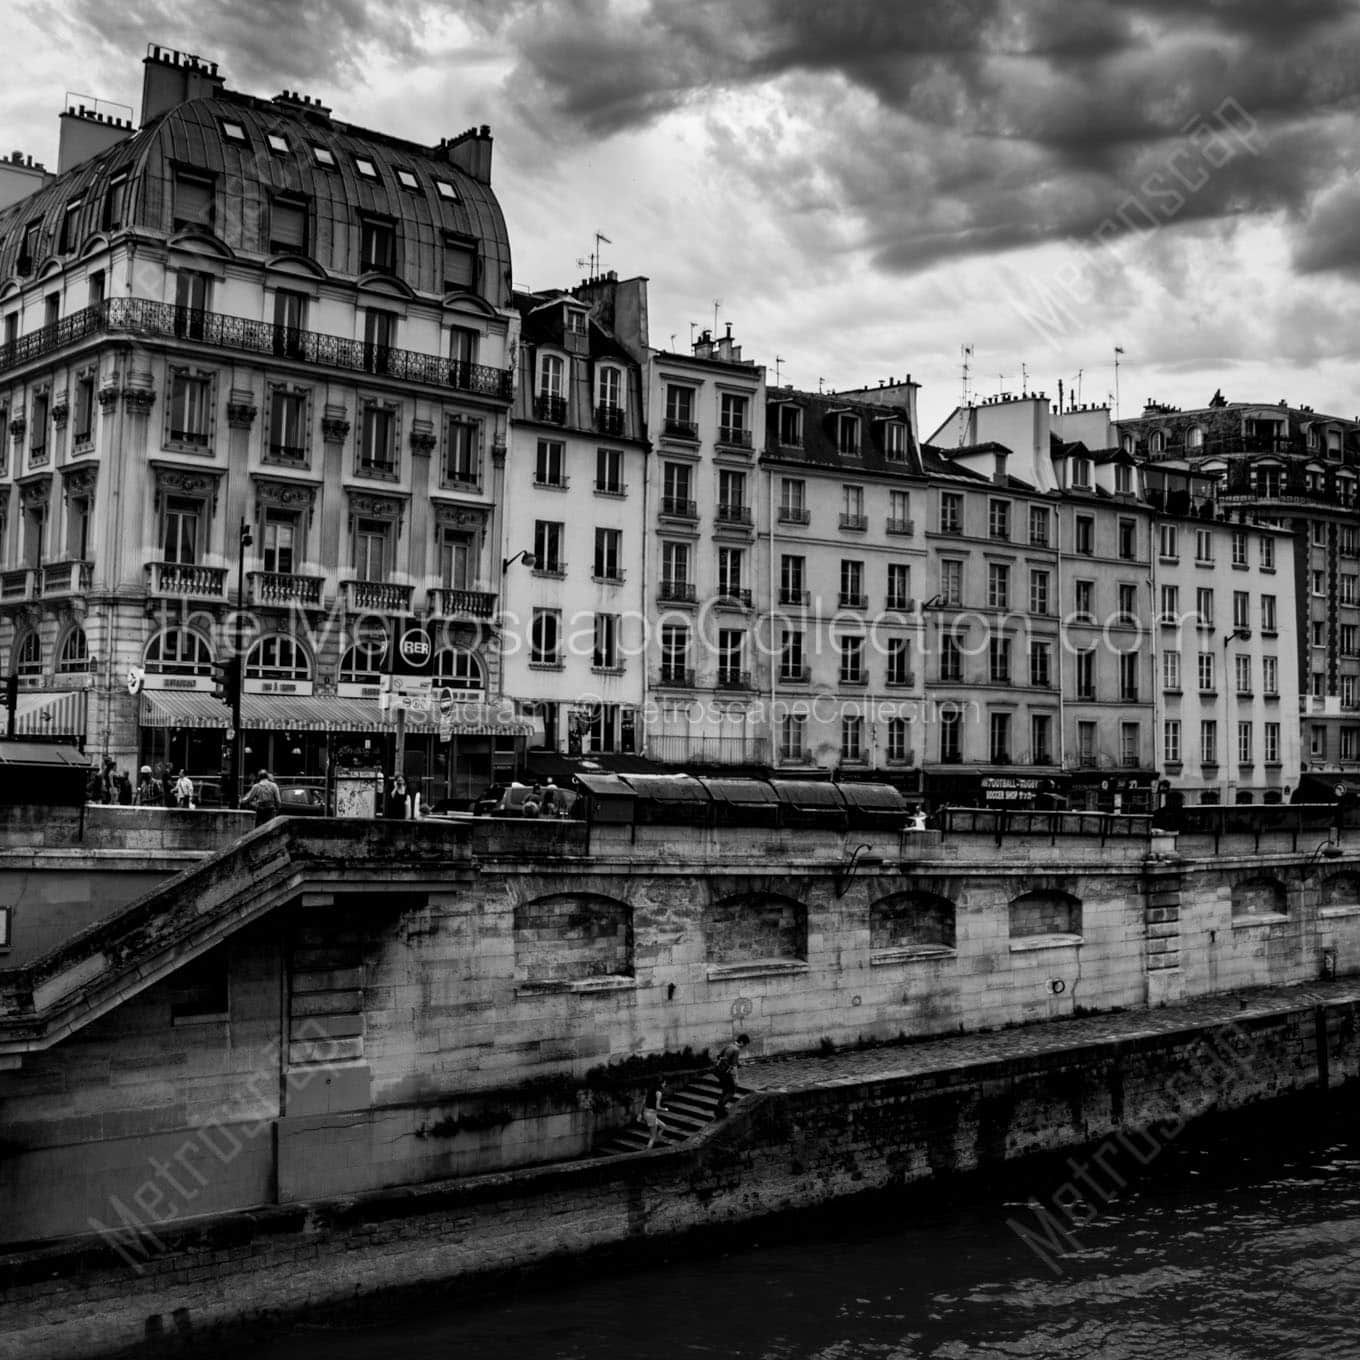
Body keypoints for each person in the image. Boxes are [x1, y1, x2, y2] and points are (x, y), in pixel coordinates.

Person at [712, 1033, 749, 1116]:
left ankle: (719, 1109)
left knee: (725, 1090)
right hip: (724, 1073)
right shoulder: (736, 1050)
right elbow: (734, 1066)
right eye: (745, 1045)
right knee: (732, 1090)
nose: (744, 1047)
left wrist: (739, 1064)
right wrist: (736, 1079)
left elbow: (719, 1056)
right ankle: (719, 1109)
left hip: (718, 1071)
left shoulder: (729, 1045)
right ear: (742, 1042)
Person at [642, 1079, 667, 1149]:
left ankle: (657, 1140)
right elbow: (658, 1107)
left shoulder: (650, 1091)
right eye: (664, 1083)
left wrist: (640, 1114)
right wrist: (665, 1109)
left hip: (646, 1112)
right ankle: (646, 1152)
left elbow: (643, 1102)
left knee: (663, 1126)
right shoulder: (659, 1093)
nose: (665, 1085)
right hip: (651, 1115)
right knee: (652, 1137)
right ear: (661, 1084)